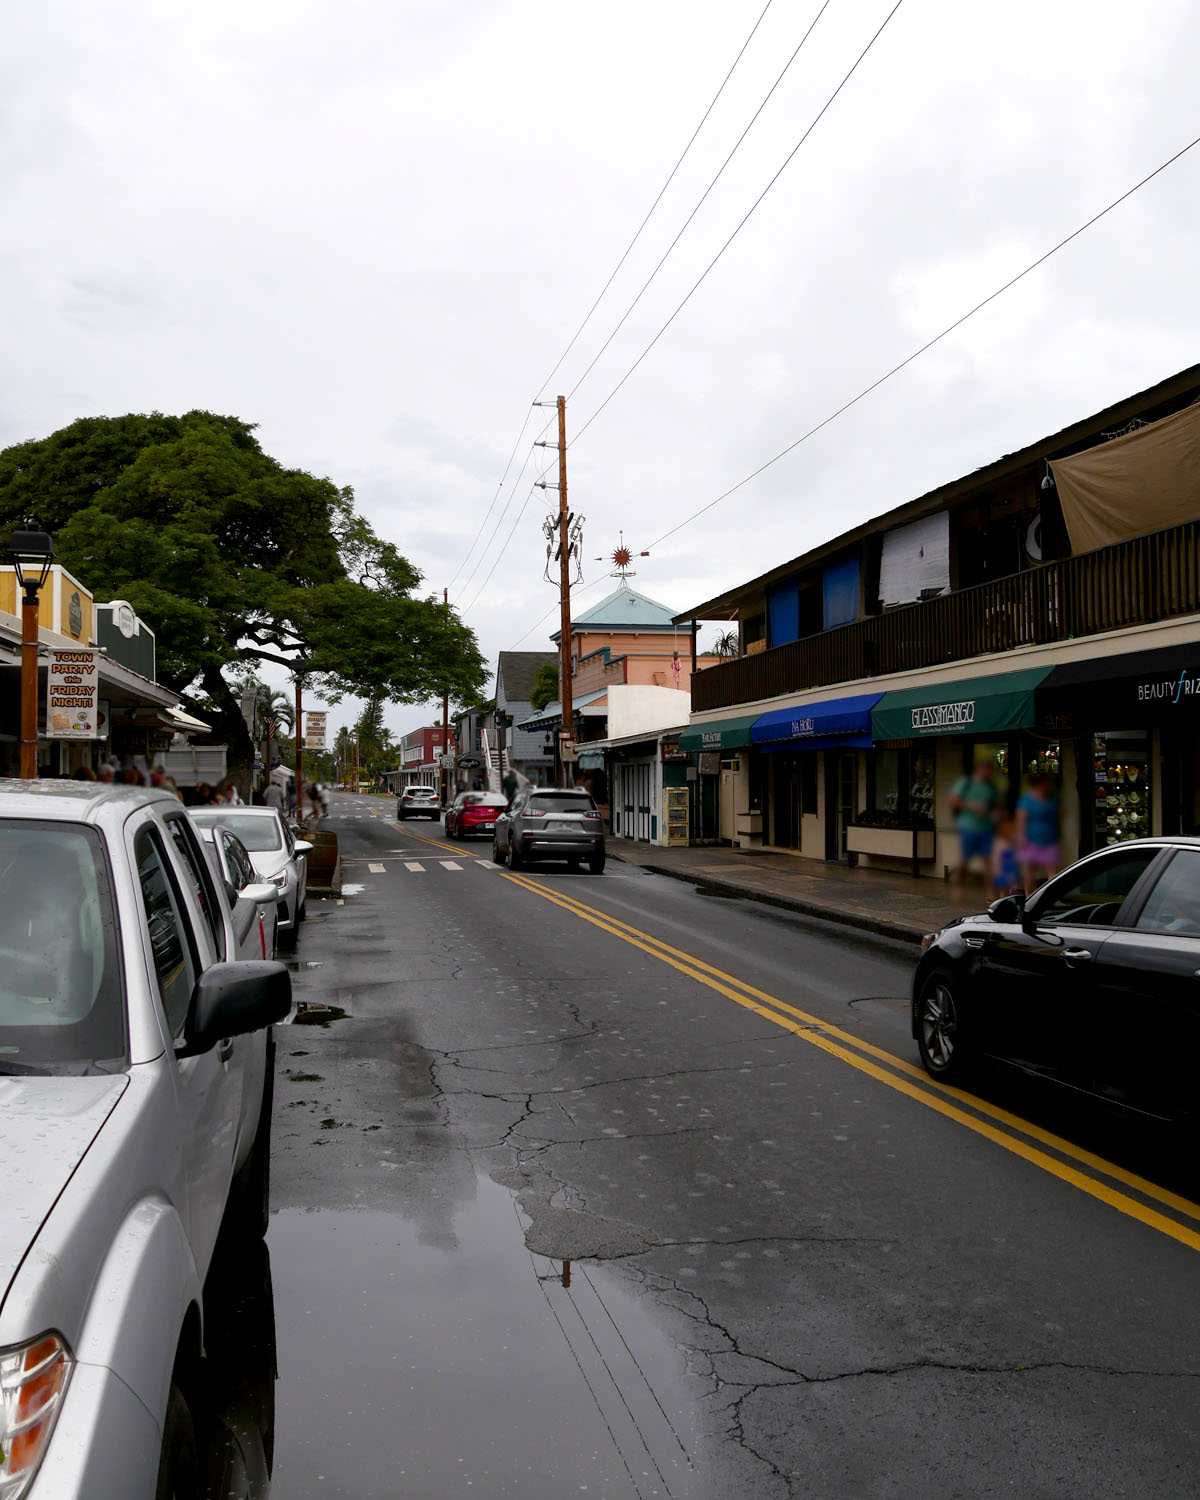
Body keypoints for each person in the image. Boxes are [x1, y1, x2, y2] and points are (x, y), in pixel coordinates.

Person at [951, 759, 1000, 897]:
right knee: (965, 859)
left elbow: (995, 805)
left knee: (987, 860)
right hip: (967, 826)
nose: (989, 774)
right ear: (980, 769)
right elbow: (954, 800)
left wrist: (996, 815)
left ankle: (991, 892)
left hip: (985, 826)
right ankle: (959, 886)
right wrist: (971, 806)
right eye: (987, 770)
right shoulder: (966, 782)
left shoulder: (990, 787)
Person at [1016, 773, 1061, 892]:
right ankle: (1029, 897)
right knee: (1030, 871)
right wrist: (1021, 837)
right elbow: (1021, 819)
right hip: (1031, 839)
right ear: (1040, 784)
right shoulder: (1027, 800)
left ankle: (1052, 897)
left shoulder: (1051, 799)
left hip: (1050, 838)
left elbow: (1058, 814)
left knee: (1053, 871)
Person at [991, 818, 1020, 898]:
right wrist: (997, 872)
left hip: (1012, 871)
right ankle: (1002, 901)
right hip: (1003, 871)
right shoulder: (1000, 844)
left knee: (1014, 888)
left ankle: (1010, 901)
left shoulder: (1015, 844)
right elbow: (996, 860)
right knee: (1003, 888)